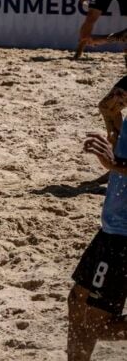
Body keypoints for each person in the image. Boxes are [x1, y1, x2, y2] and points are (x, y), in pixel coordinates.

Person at [69, 130, 127, 360]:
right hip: (113, 227)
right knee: (78, 303)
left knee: (95, 323)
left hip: (123, 236)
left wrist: (115, 163)